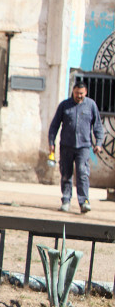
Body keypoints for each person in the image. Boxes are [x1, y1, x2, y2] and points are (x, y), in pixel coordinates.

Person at [48, 81, 104, 213]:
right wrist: (51, 142)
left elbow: (98, 126)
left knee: (82, 173)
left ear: (86, 93)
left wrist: (99, 143)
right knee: (66, 174)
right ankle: (66, 200)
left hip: (84, 147)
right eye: (77, 93)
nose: (79, 96)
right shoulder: (64, 105)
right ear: (73, 91)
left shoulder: (91, 105)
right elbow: (54, 125)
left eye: (82, 93)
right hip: (66, 146)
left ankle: (84, 201)